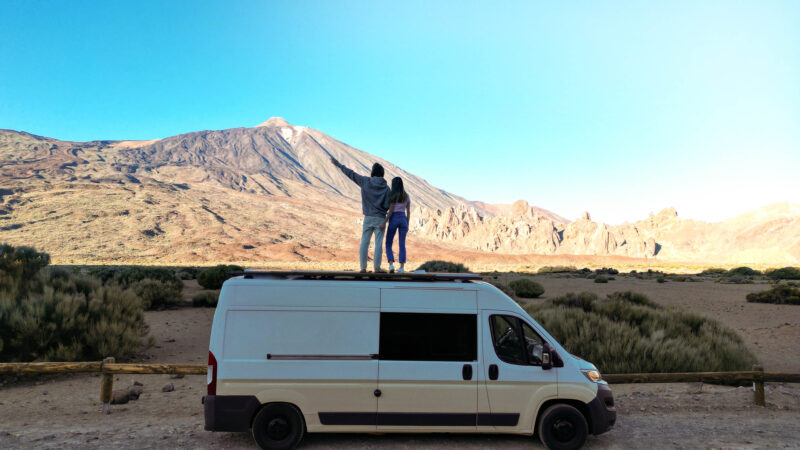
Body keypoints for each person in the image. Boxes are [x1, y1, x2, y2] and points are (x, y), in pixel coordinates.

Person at [330, 157, 391, 273]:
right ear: (382, 174)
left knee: (365, 242)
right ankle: (377, 268)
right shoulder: (387, 188)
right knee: (378, 243)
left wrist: (339, 165)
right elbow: (388, 205)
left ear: (372, 172)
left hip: (368, 217)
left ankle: (363, 268)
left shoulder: (365, 181)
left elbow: (351, 174)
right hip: (380, 219)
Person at [382, 177, 410, 273]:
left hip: (394, 218)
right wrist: (407, 224)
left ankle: (391, 265)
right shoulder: (406, 196)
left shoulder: (393, 196)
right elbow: (408, 212)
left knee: (388, 243)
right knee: (402, 244)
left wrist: (384, 222)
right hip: (403, 219)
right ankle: (401, 267)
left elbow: (390, 211)